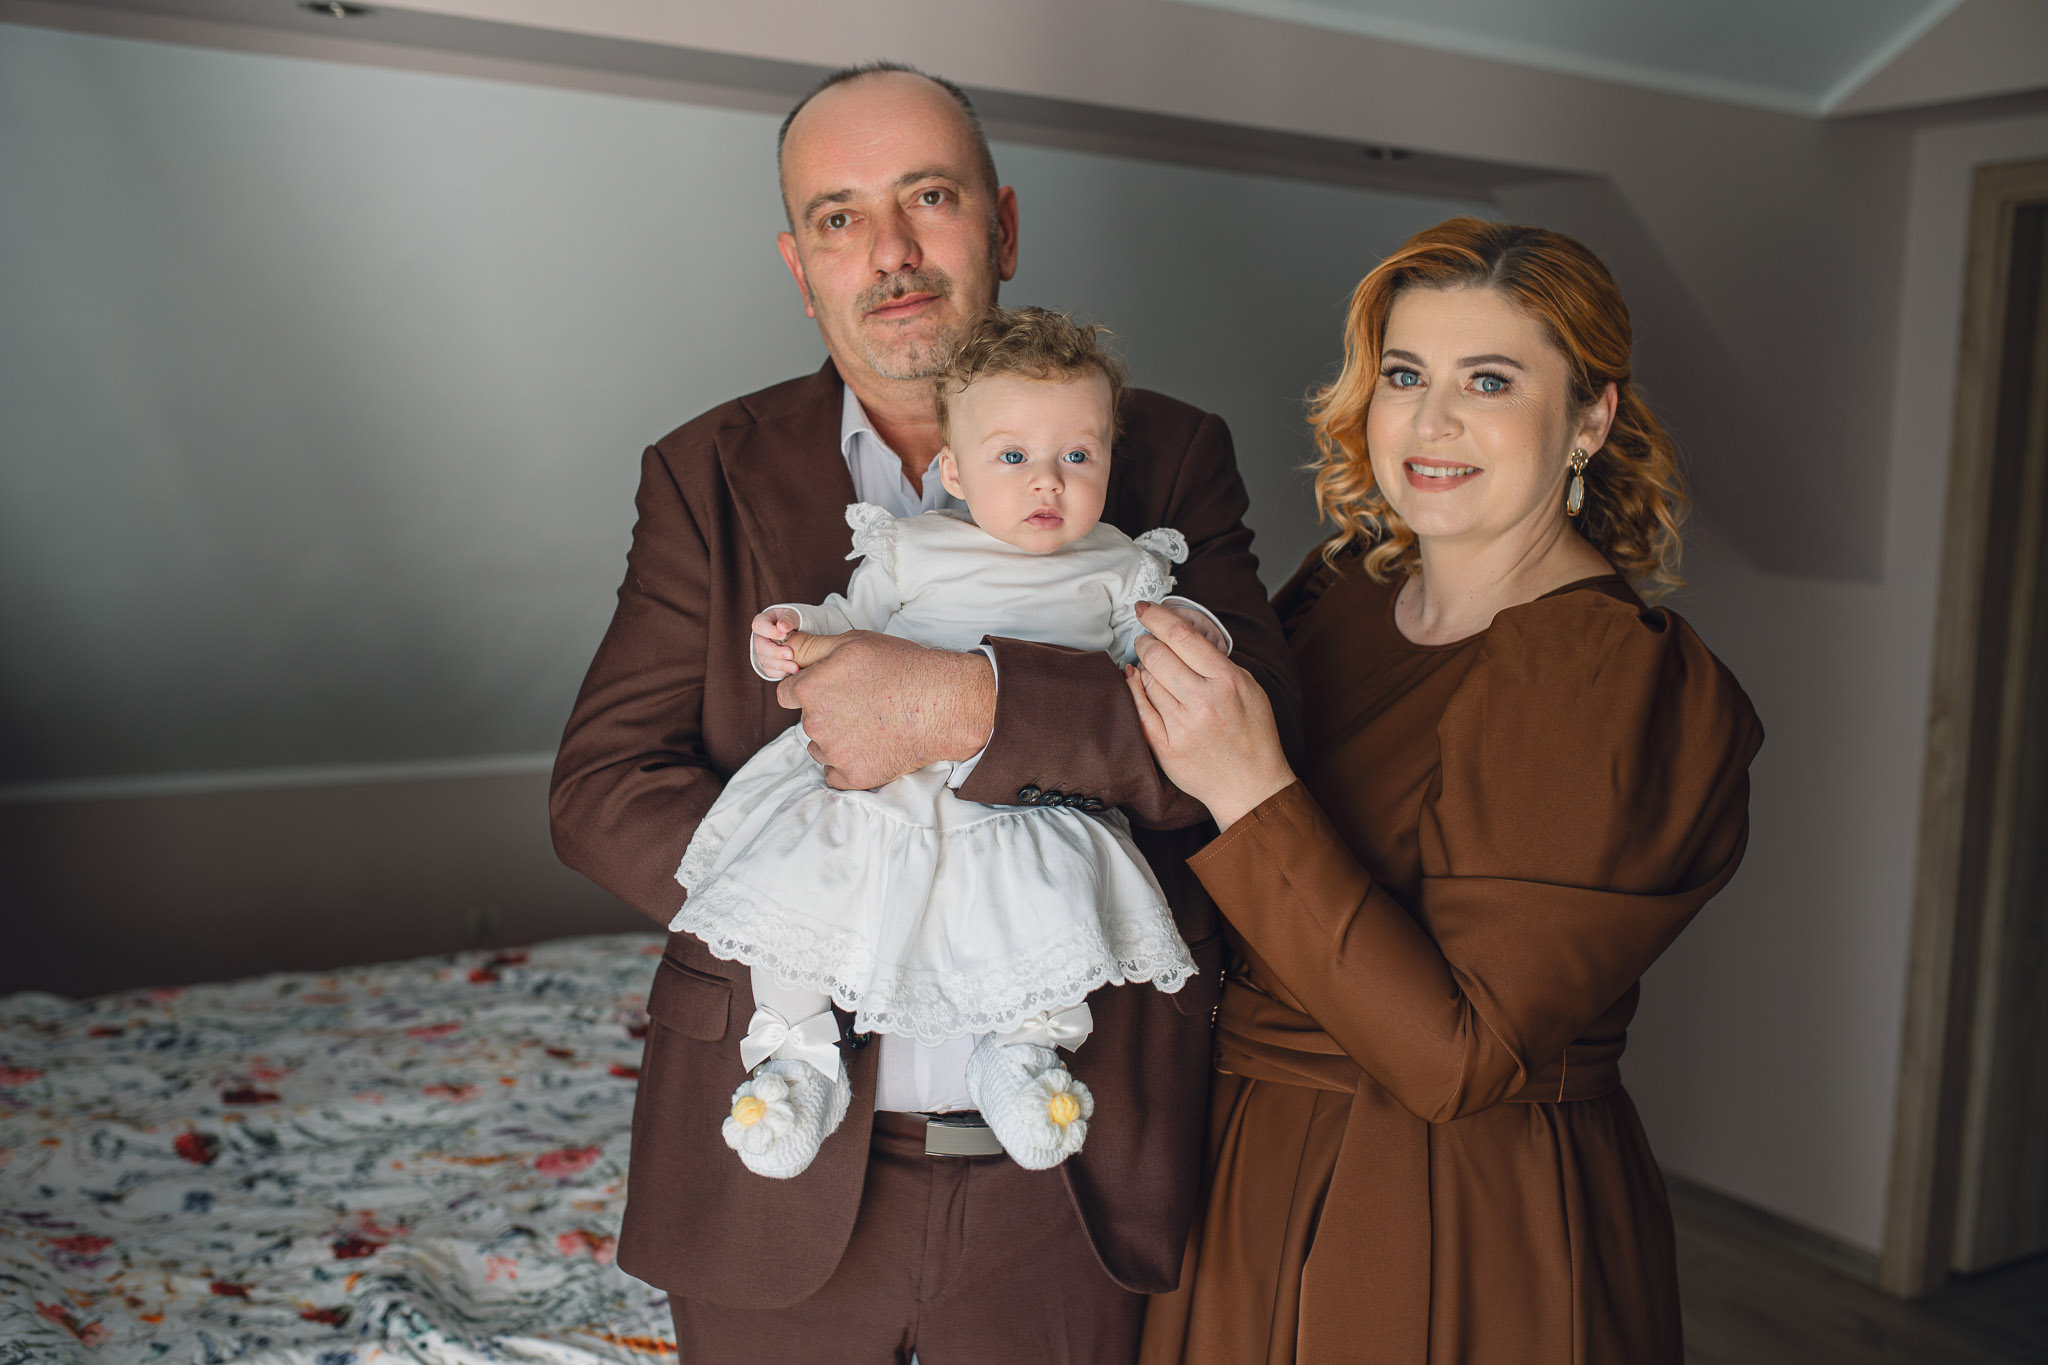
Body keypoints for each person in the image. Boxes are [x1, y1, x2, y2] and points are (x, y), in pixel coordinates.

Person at [548, 62, 1298, 1363]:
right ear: (800, 265)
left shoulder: (1162, 453)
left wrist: (969, 705)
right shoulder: (705, 471)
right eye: (839, 217)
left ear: (1000, 227)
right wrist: (820, 891)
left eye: (928, 198)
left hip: (1070, 1170)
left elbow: (1251, 746)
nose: (889, 252)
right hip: (774, 1171)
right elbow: (601, 788)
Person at [1126, 217, 1764, 1365]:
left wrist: (1250, 789)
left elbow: (1456, 1057)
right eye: (1404, 375)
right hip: (1238, 1169)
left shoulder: (1605, 672)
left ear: (1589, 419)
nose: (1429, 422)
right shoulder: (1339, 591)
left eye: (1489, 381)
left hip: (1448, 1217)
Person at [676, 306, 1231, 1177]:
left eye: (1077, 457)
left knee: (1050, 910)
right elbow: (845, 621)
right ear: (956, 472)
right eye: (1013, 457)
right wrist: (787, 631)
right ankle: (796, 1053)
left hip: (1024, 799)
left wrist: (1194, 626)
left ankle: (1023, 1052)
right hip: (879, 786)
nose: (1047, 482)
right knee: (800, 902)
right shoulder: (915, 549)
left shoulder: (1118, 566)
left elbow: (1159, 653)